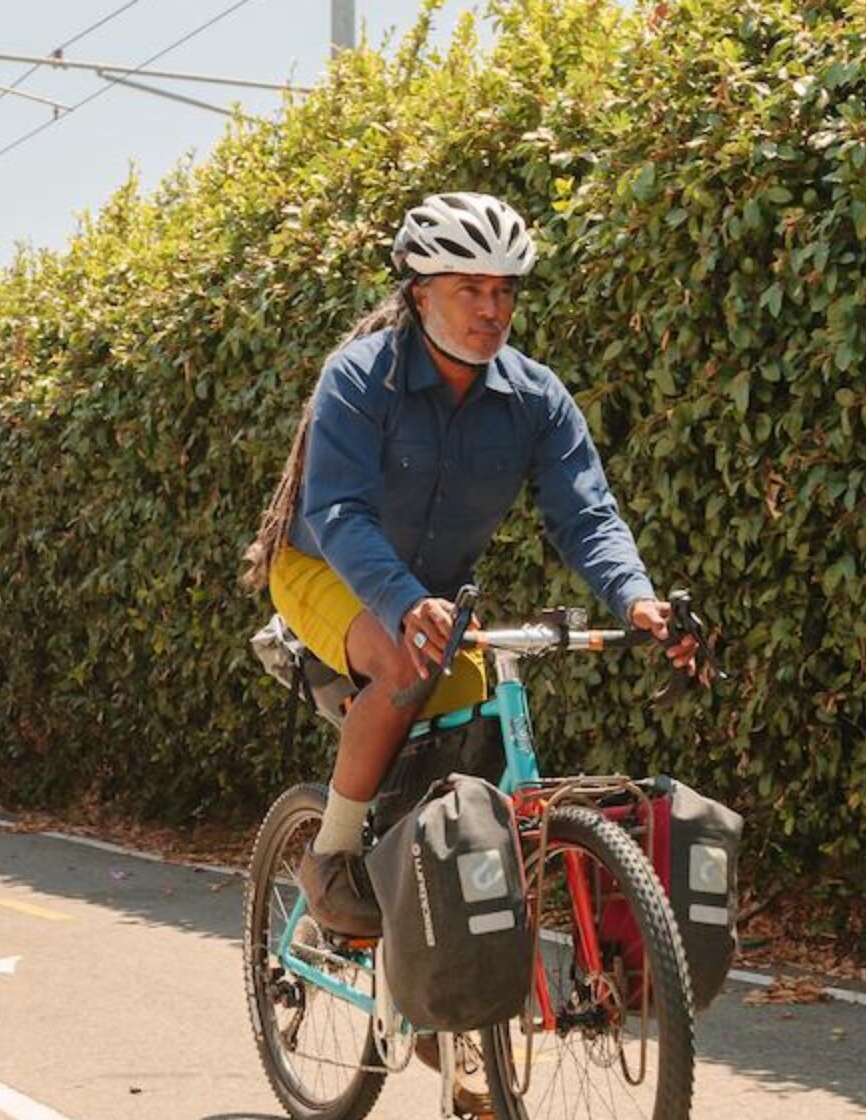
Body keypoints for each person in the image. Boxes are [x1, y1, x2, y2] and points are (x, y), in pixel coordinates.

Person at [243, 192, 701, 937]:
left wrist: (636, 599)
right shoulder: (361, 379)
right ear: (421, 294)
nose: (492, 310)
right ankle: (330, 855)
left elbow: (585, 514)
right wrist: (400, 601)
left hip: (427, 593)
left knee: (469, 717)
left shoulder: (536, 398)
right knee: (403, 659)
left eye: (505, 292)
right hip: (320, 565)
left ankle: (428, 932)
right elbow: (338, 512)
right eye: (471, 290)